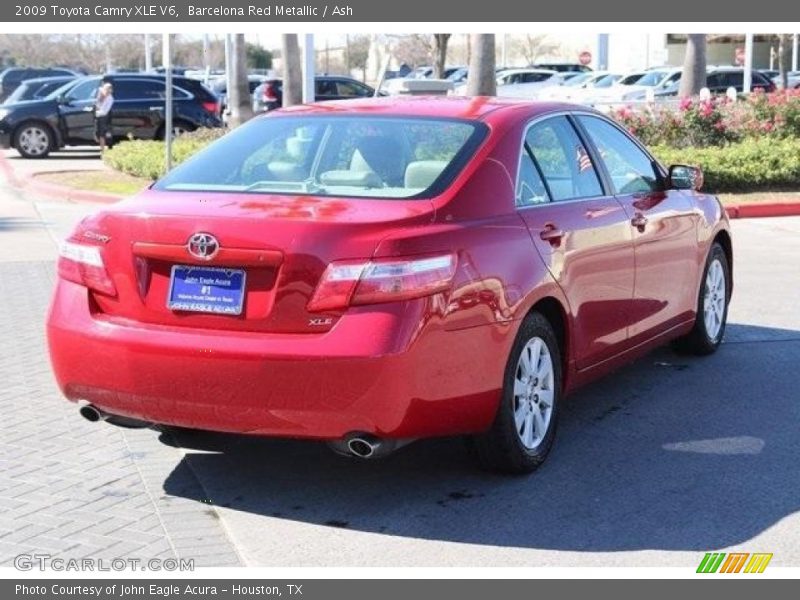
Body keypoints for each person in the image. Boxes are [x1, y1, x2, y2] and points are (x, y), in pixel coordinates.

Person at [94, 82, 114, 152]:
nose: (107, 90)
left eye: (108, 89)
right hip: (100, 117)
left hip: (105, 118)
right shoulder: (103, 97)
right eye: (105, 89)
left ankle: (103, 150)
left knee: (103, 134)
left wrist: (97, 113)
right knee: (99, 134)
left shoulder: (110, 98)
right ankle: (102, 148)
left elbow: (105, 111)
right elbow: (98, 105)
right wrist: (100, 99)